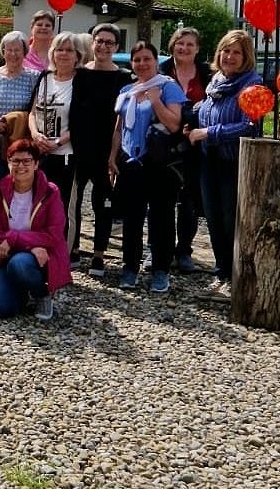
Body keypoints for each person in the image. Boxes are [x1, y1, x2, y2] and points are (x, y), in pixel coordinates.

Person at [187, 30, 262, 293]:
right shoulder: (216, 81)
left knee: (232, 219)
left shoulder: (252, 85)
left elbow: (248, 126)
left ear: (246, 56)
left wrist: (208, 132)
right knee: (213, 217)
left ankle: (236, 275)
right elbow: (207, 111)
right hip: (210, 159)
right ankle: (221, 271)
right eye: (225, 51)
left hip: (235, 161)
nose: (229, 57)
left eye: (236, 52)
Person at [108, 41, 185, 293]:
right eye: (137, 59)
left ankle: (160, 270)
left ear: (156, 61)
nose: (142, 64)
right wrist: (112, 156)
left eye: (146, 59)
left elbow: (174, 124)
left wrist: (156, 102)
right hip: (130, 162)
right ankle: (130, 267)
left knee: (161, 217)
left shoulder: (167, 87)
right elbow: (120, 127)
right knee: (131, 218)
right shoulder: (127, 90)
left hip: (158, 163)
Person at [0, 140, 71, 321]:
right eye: (15, 161)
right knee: (1, 309)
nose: (21, 166)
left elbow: (54, 234)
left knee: (20, 265)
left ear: (36, 164)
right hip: (6, 257)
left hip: (40, 256)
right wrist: (28, 245)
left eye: (27, 161)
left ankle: (41, 294)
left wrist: (15, 240)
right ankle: (22, 289)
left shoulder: (50, 192)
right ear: (8, 163)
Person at [71, 24, 132, 278]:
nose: (104, 46)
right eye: (100, 41)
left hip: (107, 150)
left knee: (102, 203)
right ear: (92, 43)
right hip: (77, 148)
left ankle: (98, 253)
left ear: (116, 47)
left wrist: (115, 153)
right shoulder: (80, 74)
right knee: (72, 203)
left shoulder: (123, 78)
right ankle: (72, 247)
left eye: (109, 42)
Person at [159, 27, 211, 273]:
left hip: (195, 144)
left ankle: (184, 251)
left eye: (190, 45)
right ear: (172, 46)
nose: (184, 48)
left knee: (189, 201)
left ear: (197, 49)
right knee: (161, 201)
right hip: (164, 143)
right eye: (180, 44)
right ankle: (160, 249)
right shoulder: (162, 71)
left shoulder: (208, 74)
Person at [28, 32, 81, 265]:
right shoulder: (44, 78)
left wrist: (58, 141)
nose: (64, 54)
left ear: (78, 55)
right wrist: (35, 135)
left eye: (69, 50)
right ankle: (39, 251)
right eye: (60, 49)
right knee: (38, 203)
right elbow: (31, 112)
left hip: (65, 153)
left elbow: (83, 122)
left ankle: (61, 256)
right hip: (40, 151)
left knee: (61, 206)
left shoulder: (80, 81)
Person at [0, 31, 41, 196]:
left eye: (17, 50)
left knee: (21, 194)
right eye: (9, 50)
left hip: (21, 148)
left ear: (24, 52)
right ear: (3, 52)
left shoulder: (34, 78)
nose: (13, 54)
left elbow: (37, 111)